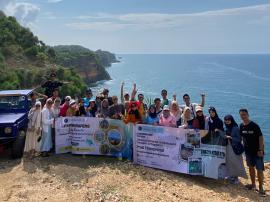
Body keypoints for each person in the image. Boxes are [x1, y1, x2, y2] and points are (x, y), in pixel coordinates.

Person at [239, 109, 266, 196]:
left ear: (248, 115)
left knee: (259, 169)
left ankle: (261, 187)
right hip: (248, 152)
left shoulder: (254, 125)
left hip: (257, 152)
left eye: (244, 114)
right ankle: (253, 184)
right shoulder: (241, 126)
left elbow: (261, 138)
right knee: (250, 168)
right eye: (241, 115)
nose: (243, 116)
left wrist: (260, 150)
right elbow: (241, 137)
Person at [224, 115, 247, 184]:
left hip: (235, 147)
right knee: (229, 161)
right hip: (228, 146)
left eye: (229, 120)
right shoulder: (225, 127)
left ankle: (236, 177)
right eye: (226, 120)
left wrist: (230, 137)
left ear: (231, 120)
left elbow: (239, 139)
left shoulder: (235, 128)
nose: (227, 121)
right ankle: (231, 175)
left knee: (236, 162)